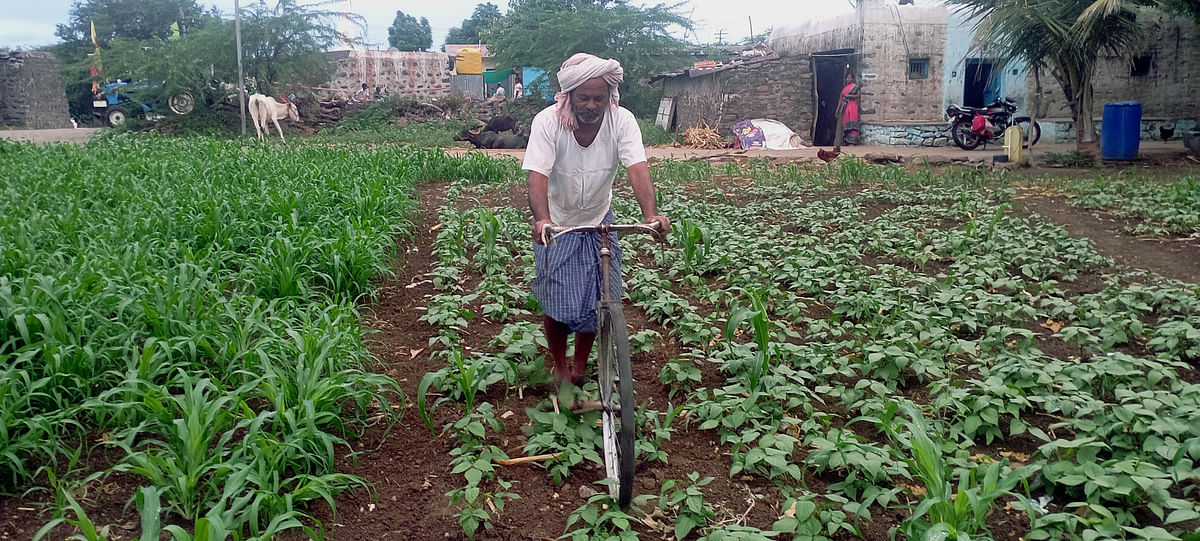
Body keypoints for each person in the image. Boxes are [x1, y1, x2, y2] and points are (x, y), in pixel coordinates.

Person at [524, 52, 670, 393]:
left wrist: (652, 216)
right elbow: (537, 176)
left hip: (598, 214)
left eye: (599, 98)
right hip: (557, 221)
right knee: (557, 300)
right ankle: (560, 367)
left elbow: (638, 168)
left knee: (598, 296)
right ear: (569, 95)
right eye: (584, 97)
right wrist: (542, 219)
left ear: (609, 97)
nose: (591, 105)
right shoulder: (548, 122)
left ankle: (579, 367)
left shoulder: (622, 121)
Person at [839, 73, 861, 145]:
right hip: (845, 107)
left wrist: (849, 96)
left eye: (850, 77)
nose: (849, 79)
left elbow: (858, 95)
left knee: (853, 123)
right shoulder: (844, 88)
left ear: (853, 79)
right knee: (846, 123)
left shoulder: (855, 87)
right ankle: (847, 141)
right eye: (847, 77)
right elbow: (840, 99)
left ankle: (853, 141)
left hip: (853, 106)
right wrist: (837, 110)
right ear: (845, 79)